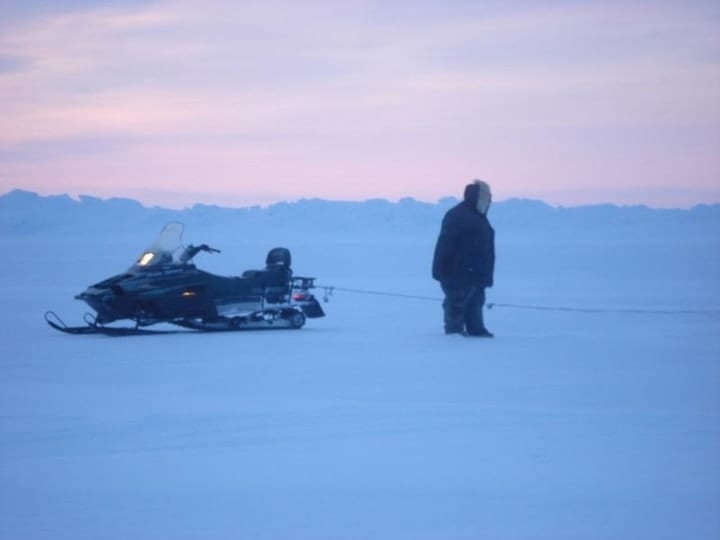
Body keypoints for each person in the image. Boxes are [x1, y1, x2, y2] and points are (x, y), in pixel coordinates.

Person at [432, 180, 495, 337]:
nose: (489, 203)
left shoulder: (476, 216)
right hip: (458, 273)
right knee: (456, 304)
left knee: (475, 302)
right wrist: (446, 271)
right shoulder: (459, 215)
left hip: (474, 273)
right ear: (478, 197)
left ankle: (476, 330)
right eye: (487, 198)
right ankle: (455, 337)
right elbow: (446, 246)